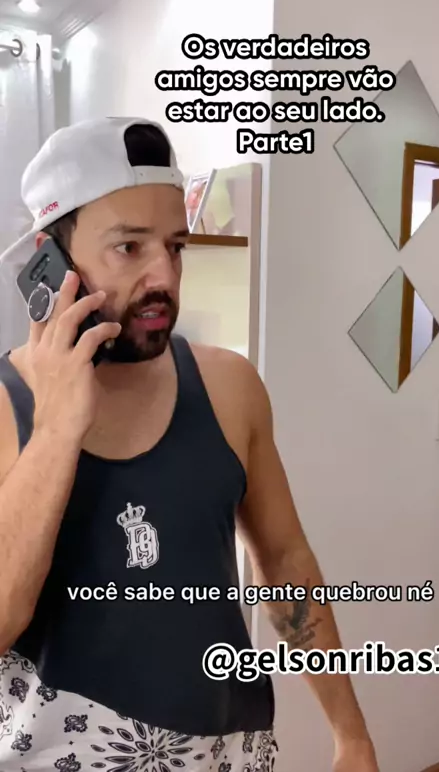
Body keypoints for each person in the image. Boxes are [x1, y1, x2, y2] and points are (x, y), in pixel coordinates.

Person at [0, 117, 379, 772]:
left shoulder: (230, 386)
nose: (164, 277)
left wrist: (351, 734)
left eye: (175, 246)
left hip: (230, 754)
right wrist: (58, 427)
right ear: (50, 257)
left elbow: (285, 560)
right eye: (128, 247)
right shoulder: (6, 408)